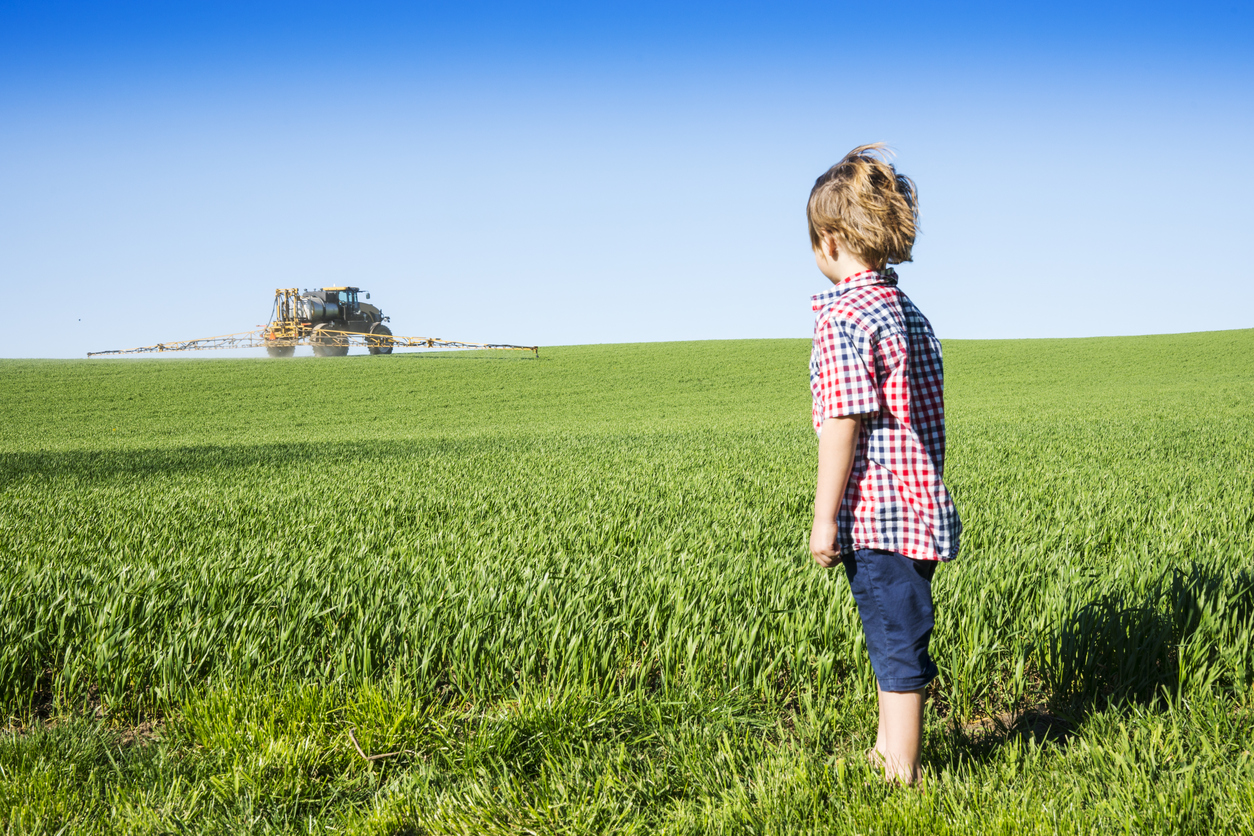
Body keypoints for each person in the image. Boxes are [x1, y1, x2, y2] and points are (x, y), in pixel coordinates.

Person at [805, 144, 961, 785]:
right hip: (920, 510)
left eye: (814, 240)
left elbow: (842, 422)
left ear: (833, 239)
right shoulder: (906, 311)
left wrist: (823, 521)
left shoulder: (845, 316)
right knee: (896, 630)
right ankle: (884, 750)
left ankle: (901, 771)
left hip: (876, 515)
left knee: (896, 643)